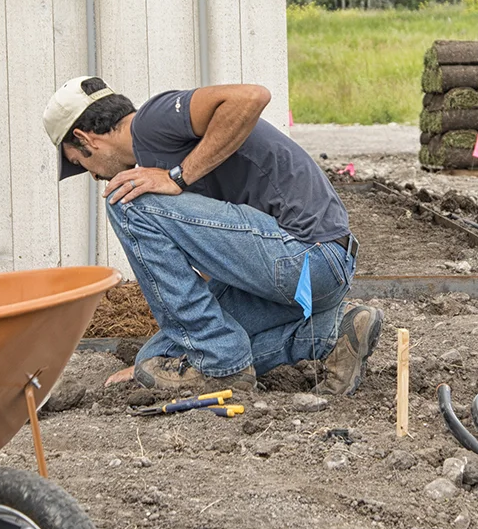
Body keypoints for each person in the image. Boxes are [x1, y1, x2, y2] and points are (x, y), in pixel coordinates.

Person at [43, 77, 382, 394]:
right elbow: (222, 247)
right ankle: (333, 333)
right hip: (312, 278)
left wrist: (178, 177)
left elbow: (252, 97)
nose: (92, 177)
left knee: (127, 202)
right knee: (156, 359)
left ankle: (223, 364)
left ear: (85, 139)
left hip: (305, 255)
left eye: (80, 163)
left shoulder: (149, 123)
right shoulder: (158, 156)